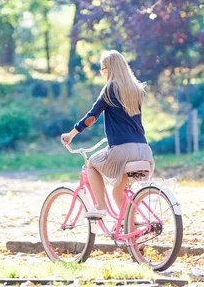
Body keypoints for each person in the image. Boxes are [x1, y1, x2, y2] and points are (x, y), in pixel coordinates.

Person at [60, 50, 155, 219]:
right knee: (118, 193)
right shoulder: (136, 89)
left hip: (123, 150)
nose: (102, 72)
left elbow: (91, 116)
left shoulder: (110, 89)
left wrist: (71, 134)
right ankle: (131, 232)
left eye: (102, 68)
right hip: (144, 150)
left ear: (110, 69)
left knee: (91, 164)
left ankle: (100, 207)